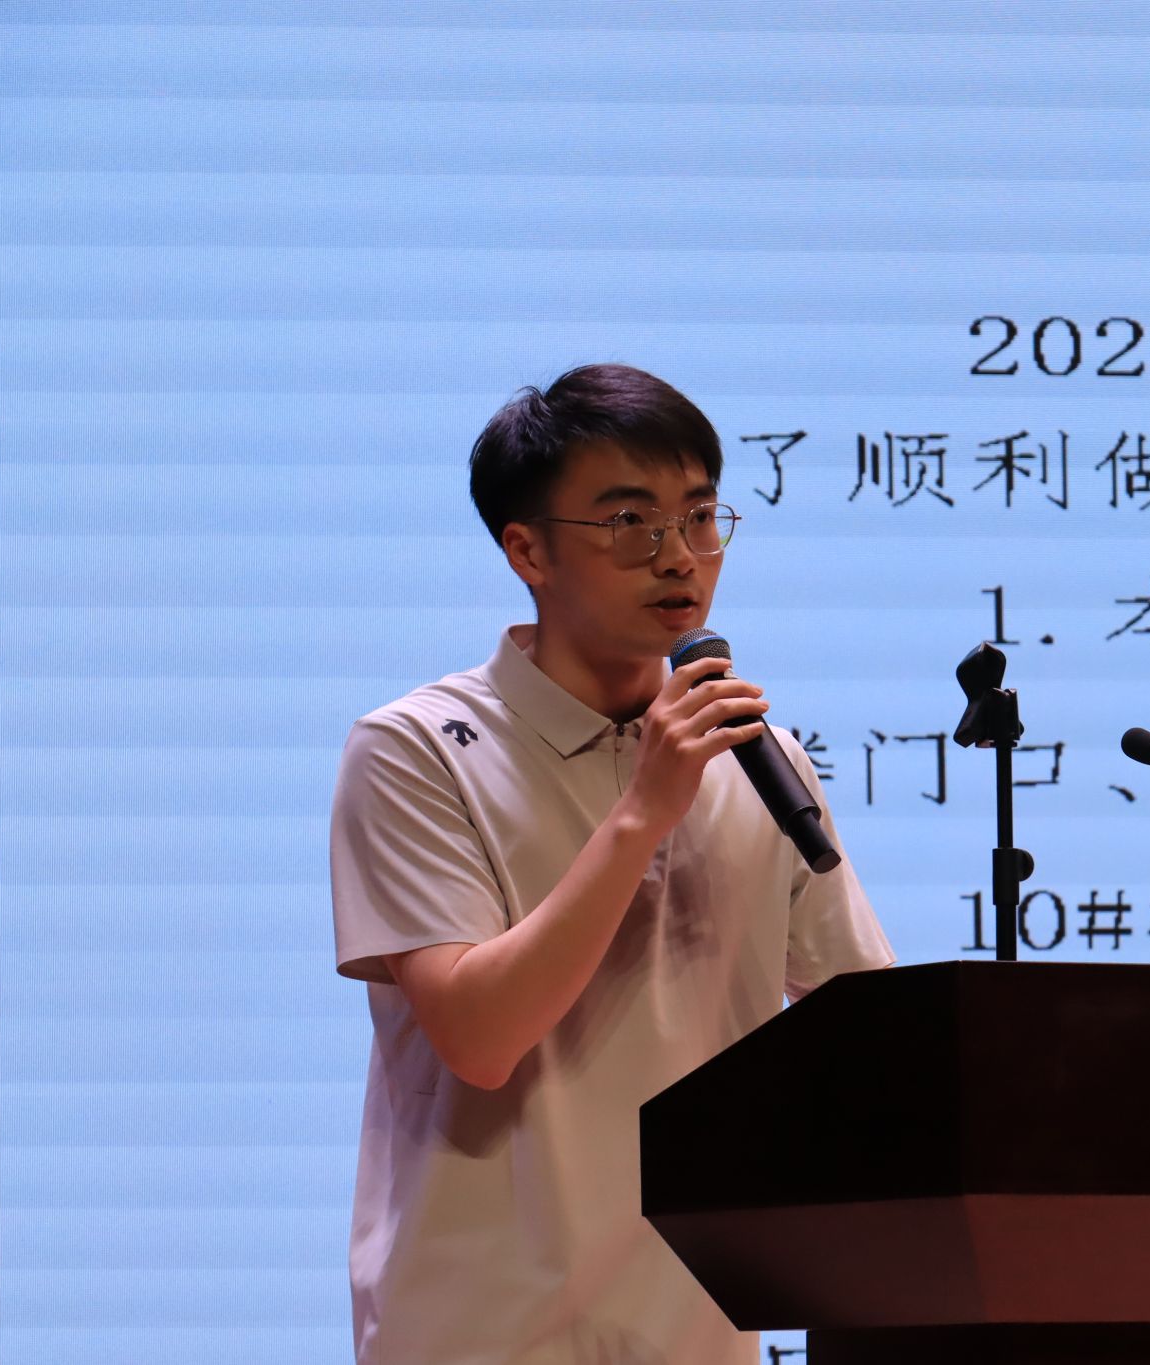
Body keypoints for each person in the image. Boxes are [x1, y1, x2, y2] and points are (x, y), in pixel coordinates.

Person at [329, 363, 894, 1364]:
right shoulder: (415, 749)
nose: (679, 557)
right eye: (630, 522)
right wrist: (643, 812)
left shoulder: (757, 760)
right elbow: (479, 1037)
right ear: (526, 550)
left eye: (700, 517)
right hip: (481, 1336)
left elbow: (870, 1030)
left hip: (698, 1334)